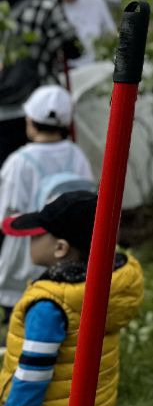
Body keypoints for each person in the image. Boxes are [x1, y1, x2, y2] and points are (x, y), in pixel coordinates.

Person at [0, 189, 144, 406]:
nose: (30, 240)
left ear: (60, 248)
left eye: (37, 234)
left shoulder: (50, 305)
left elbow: (32, 376)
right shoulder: (108, 285)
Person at [0, 88, 95, 318]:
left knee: (23, 313)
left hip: (27, 254)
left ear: (30, 121)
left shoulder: (19, 162)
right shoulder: (76, 154)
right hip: (68, 250)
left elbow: (6, 212)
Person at [0, 0, 82, 166]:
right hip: (38, 105)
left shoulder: (3, 9)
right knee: (42, 167)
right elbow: (74, 48)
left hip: (3, 107)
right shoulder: (45, 6)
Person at [49, 0, 115, 67]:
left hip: (95, 65)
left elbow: (109, 32)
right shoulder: (51, 5)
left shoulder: (95, 0)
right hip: (67, 69)